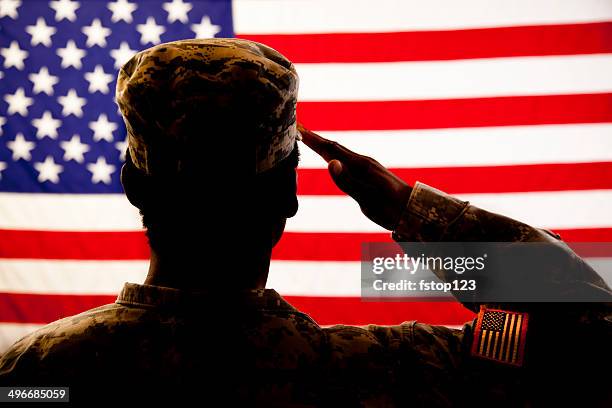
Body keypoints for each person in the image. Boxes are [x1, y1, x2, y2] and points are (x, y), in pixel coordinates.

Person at [0, 38, 610, 406]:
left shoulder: (37, 377)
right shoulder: (388, 371)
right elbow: (592, 340)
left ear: (133, 185)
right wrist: (412, 209)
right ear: (289, 196)